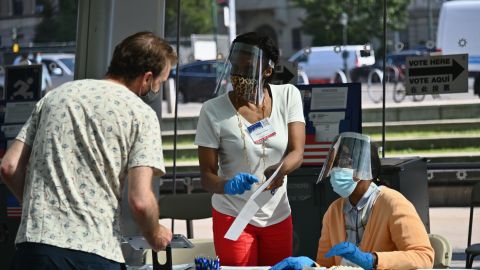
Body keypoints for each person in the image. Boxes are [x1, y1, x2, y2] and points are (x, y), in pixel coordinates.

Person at [0, 31, 177, 270]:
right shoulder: (141, 114)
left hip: (35, 249)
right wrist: (156, 235)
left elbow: (9, 166)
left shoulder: (54, 97)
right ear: (146, 79)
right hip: (95, 252)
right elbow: (140, 201)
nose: (157, 89)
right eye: (159, 83)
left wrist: (40, 208)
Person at [195, 32, 306, 266]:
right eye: (234, 66)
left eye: (247, 68)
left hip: (277, 215)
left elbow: (297, 152)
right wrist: (227, 184)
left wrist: (281, 170)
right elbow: (206, 177)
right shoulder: (212, 110)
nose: (238, 75)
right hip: (233, 215)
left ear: (267, 71)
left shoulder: (288, 95)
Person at [271, 132, 434, 270]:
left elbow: (424, 257)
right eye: (334, 163)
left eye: (344, 162)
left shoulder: (393, 203)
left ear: (365, 167)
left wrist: (373, 260)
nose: (335, 169)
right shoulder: (334, 211)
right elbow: (326, 265)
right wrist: (311, 266)